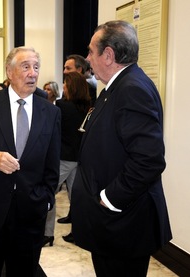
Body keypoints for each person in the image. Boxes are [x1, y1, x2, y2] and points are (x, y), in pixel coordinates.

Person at [71, 20, 172, 276]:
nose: (88, 58)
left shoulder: (132, 89)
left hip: (124, 223)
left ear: (108, 55)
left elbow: (149, 160)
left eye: (91, 52)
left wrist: (109, 198)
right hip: (113, 225)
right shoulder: (117, 87)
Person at [0, 46, 61, 277]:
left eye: (36, 67)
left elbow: (52, 164)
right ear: (9, 71)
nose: (32, 73)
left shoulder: (50, 112)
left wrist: (45, 200)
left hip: (30, 212)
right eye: (25, 66)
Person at [43, 72, 90, 247]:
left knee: (48, 193)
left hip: (63, 158)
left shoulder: (61, 106)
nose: (63, 87)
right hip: (79, 158)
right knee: (76, 197)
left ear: (71, 87)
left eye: (65, 84)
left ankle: (47, 234)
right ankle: (78, 233)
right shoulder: (88, 107)